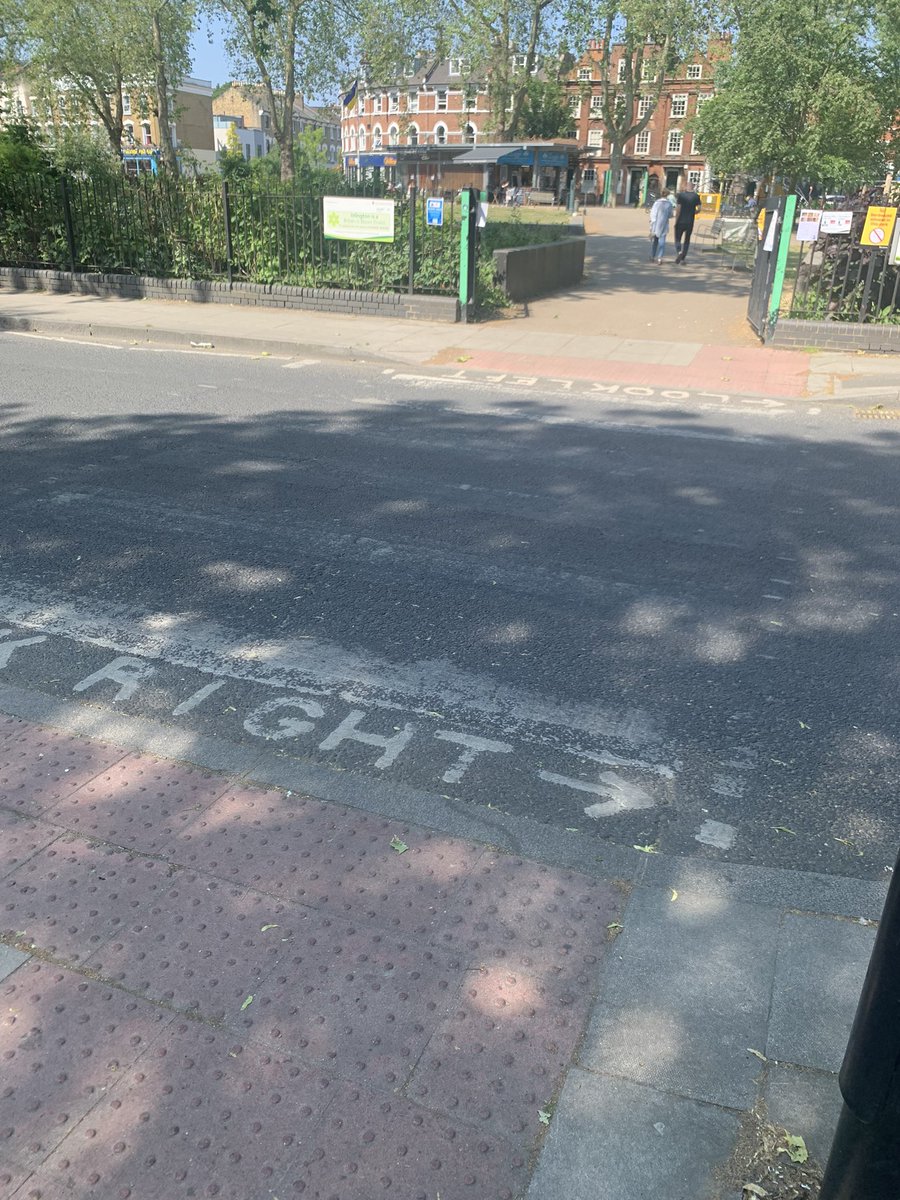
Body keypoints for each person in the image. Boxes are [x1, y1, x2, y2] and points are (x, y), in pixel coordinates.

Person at [673, 185, 702, 263]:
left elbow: (678, 209)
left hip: (681, 220)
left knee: (677, 238)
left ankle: (679, 252)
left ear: (686, 187)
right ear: (693, 188)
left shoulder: (681, 196)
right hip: (690, 221)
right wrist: (693, 213)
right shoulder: (696, 196)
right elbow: (699, 209)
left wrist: (676, 220)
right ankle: (683, 258)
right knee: (687, 240)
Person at [648, 189, 674, 264]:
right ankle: (659, 258)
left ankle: (653, 256)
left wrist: (652, 223)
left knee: (655, 241)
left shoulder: (657, 203)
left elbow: (653, 214)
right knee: (662, 242)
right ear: (668, 195)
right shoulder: (669, 204)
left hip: (656, 225)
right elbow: (670, 215)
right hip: (664, 225)